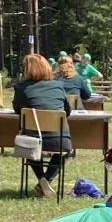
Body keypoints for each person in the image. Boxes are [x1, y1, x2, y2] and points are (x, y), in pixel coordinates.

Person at [13, 52, 74, 197]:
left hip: (33, 139)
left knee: (26, 143)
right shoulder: (58, 86)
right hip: (60, 140)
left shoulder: (21, 87)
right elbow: (68, 111)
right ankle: (47, 179)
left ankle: (42, 179)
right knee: (65, 150)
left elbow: (18, 110)